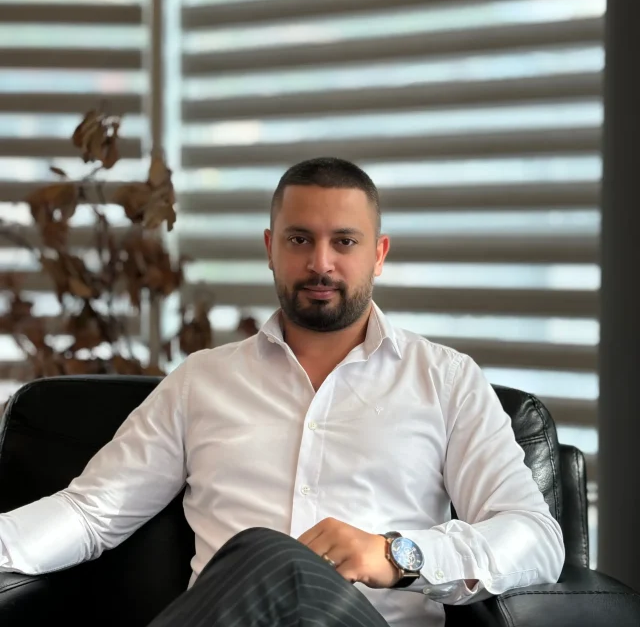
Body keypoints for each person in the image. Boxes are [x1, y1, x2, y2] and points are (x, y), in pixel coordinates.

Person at [0, 157, 564, 627]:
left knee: (279, 558)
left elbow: (534, 536)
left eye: (344, 241)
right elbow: (91, 512)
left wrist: (395, 555)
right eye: (300, 240)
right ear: (271, 248)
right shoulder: (202, 382)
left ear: (378, 254)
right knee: (272, 556)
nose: (321, 263)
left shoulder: (447, 380)